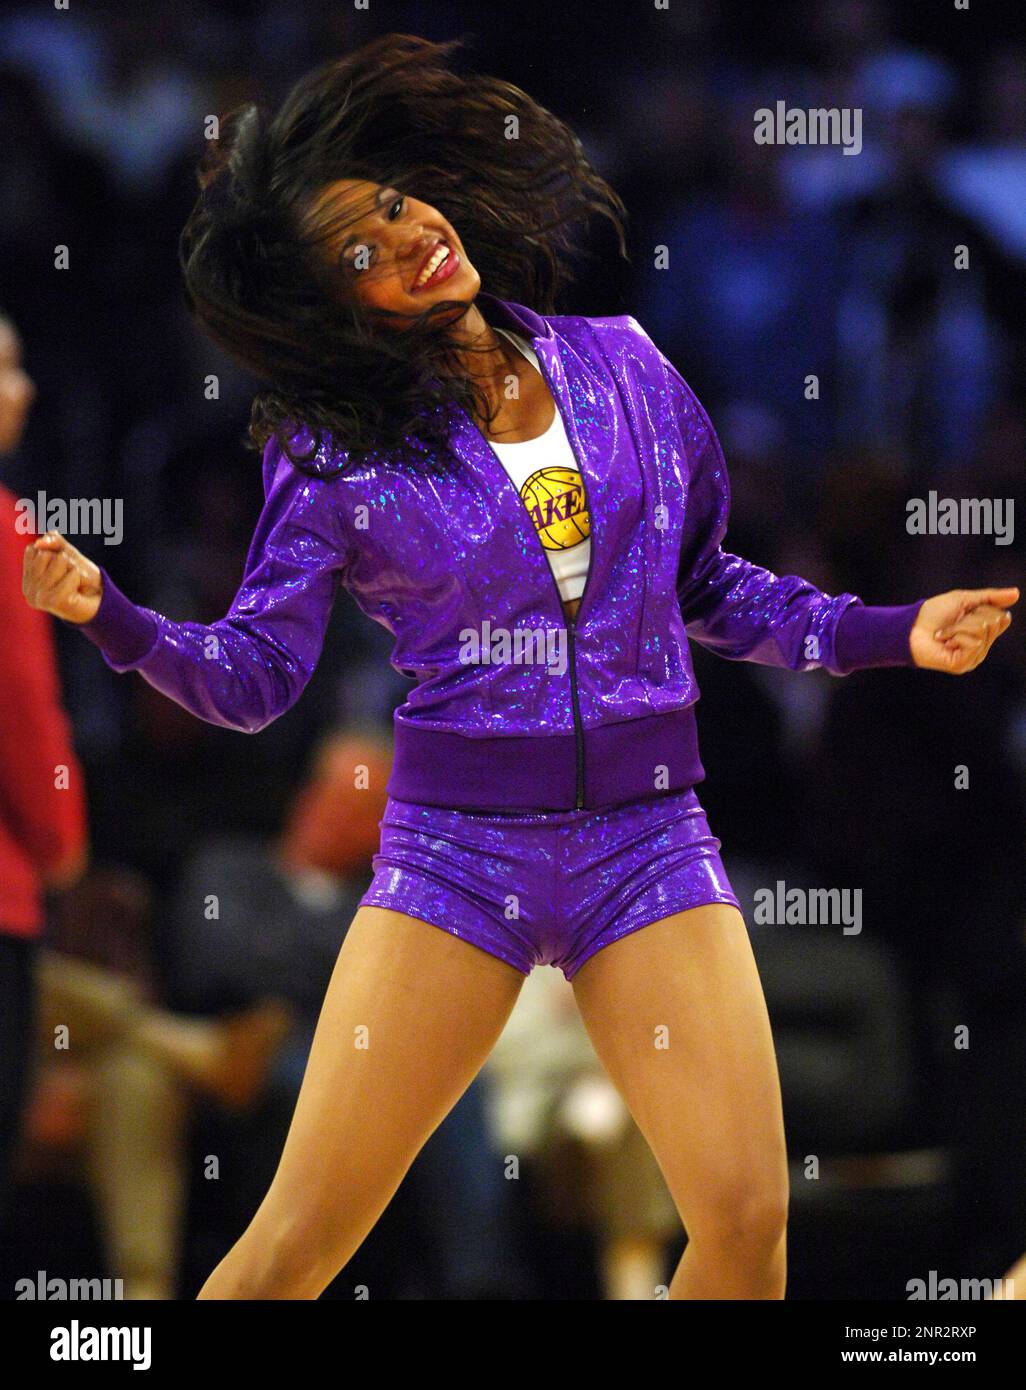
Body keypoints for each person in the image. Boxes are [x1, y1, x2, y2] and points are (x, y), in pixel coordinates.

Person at [21, 35, 1019, 1300]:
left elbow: (713, 587)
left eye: (395, 208)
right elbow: (253, 676)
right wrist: (111, 612)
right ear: (341, 311)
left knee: (749, 1220)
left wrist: (893, 632)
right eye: (362, 259)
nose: (410, 240)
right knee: (292, 1249)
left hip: (649, 839)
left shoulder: (625, 364)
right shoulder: (334, 456)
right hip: (458, 854)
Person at [0, 312, 88, 1228]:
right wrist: (60, 842)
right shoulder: (4, 530)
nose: (21, 389)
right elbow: (21, 713)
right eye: (4, 369)